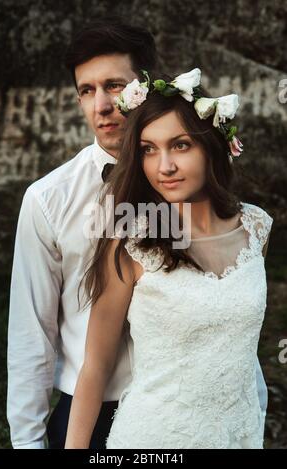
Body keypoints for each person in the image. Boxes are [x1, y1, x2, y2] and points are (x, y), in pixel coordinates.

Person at [64, 69, 273, 449]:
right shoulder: (131, 242)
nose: (164, 167)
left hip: (240, 434)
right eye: (148, 149)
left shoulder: (256, 228)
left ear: (211, 145)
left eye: (180, 145)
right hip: (153, 440)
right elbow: (94, 368)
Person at [7, 17, 157, 449]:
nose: (100, 105)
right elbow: (30, 333)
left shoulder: (187, 187)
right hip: (87, 420)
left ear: (146, 86)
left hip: (179, 409)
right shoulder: (47, 199)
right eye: (86, 91)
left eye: (114, 85)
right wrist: (29, 444)